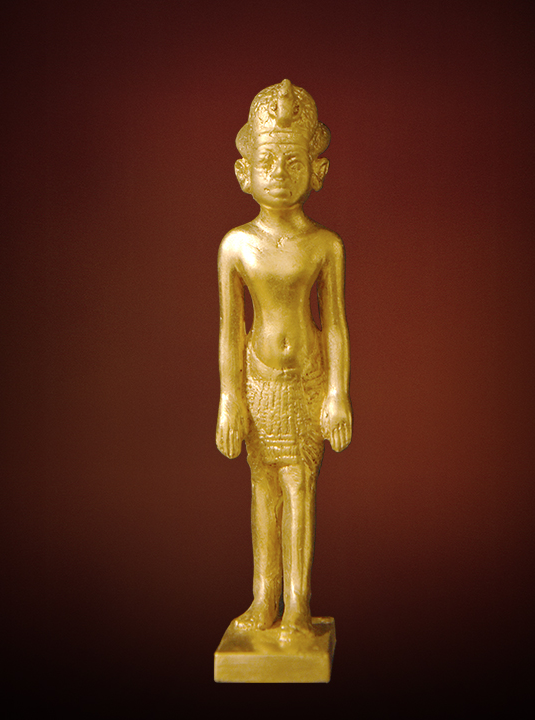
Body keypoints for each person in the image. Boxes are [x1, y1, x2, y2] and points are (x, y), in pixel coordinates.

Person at [216, 80, 352, 640]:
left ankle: (297, 603)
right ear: (244, 171)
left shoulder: (325, 245)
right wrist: (229, 399)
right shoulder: (236, 246)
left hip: (306, 381)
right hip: (259, 382)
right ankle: (263, 596)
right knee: (263, 486)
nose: (278, 172)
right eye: (267, 160)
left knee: (299, 485)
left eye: (292, 161)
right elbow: (230, 330)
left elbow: (336, 324)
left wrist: (338, 393)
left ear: (317, 171)